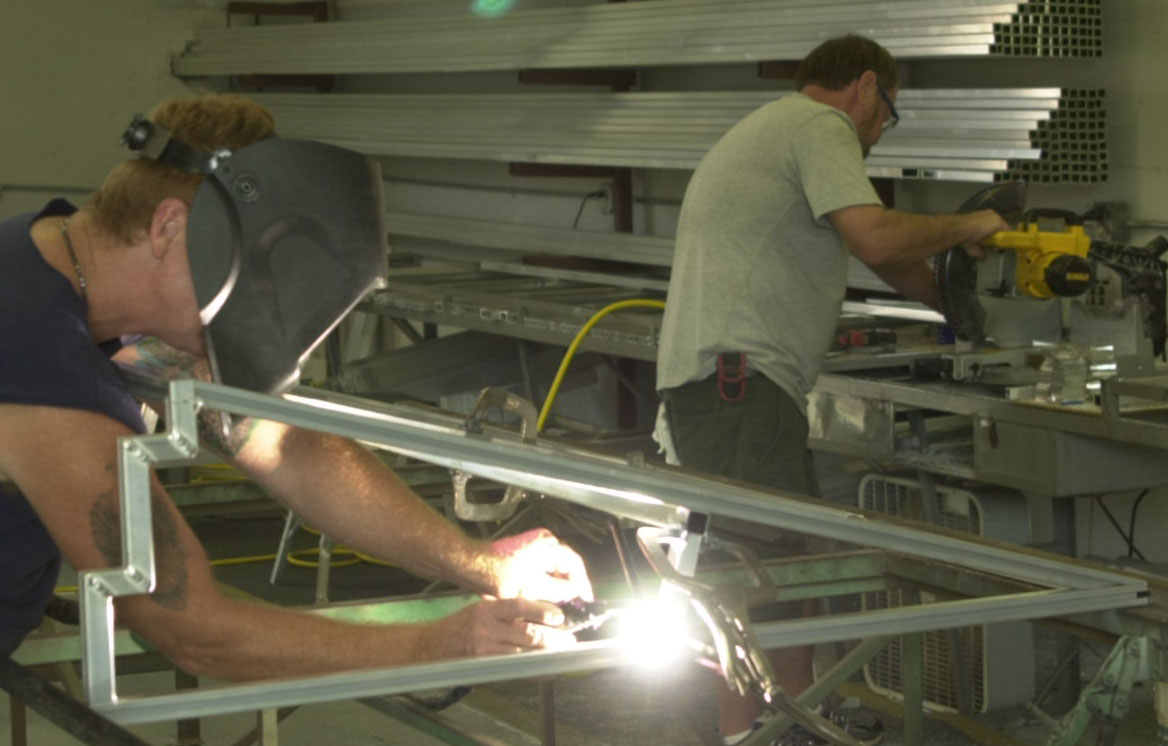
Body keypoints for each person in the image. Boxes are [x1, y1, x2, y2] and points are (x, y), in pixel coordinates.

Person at [0, 93, 592, 680]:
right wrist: (444, 643)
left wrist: (483, 565)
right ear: (170, 228)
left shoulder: (63, 276)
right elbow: (194, 631)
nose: (258, 310)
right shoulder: (35, 354)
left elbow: (283, 446)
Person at [655, 35, 1009, 746]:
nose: (878, 135)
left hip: (739, 390)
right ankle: (758, 732)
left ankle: (787, 716)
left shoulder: (778, 131)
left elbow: (887, 259)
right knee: (763, 577)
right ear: (867, 88)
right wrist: (974, 224)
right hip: (738, 391)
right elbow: (878, 238)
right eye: (888, 116)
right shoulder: (821, 126)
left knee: (788, 568)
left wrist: (957, 301)